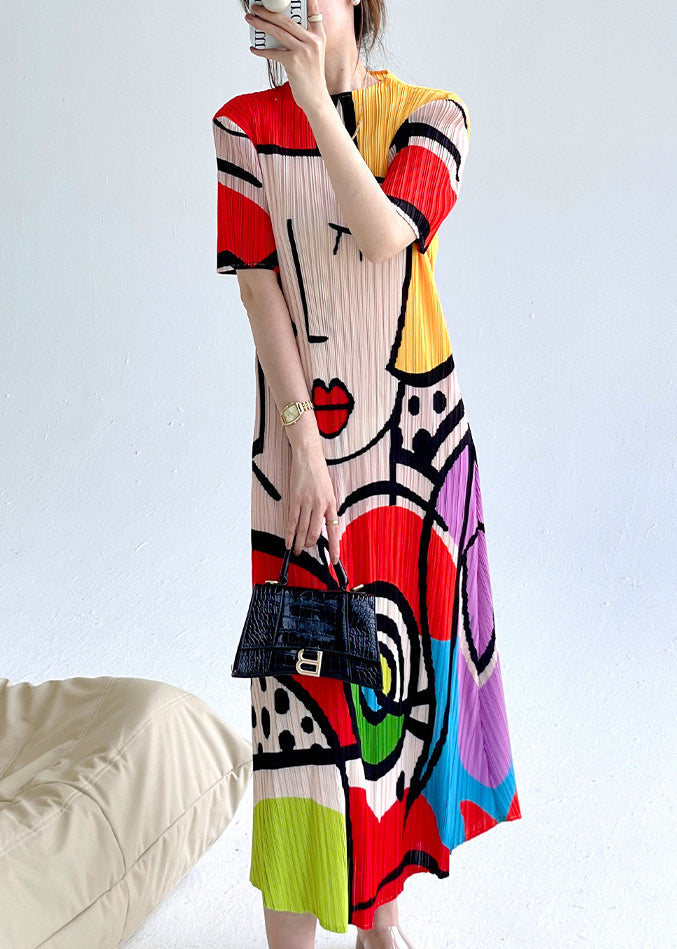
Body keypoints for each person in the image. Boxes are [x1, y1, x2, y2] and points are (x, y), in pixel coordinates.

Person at [212, 2, 522, 947]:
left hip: (413, 457)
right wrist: (303, 448)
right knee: (298, 713)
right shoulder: (240, 127)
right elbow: (258, 287)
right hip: (299, 453)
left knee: (386, 702)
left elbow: (386, 232)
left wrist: (317, 101)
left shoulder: (432, 113)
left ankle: (379, 922)